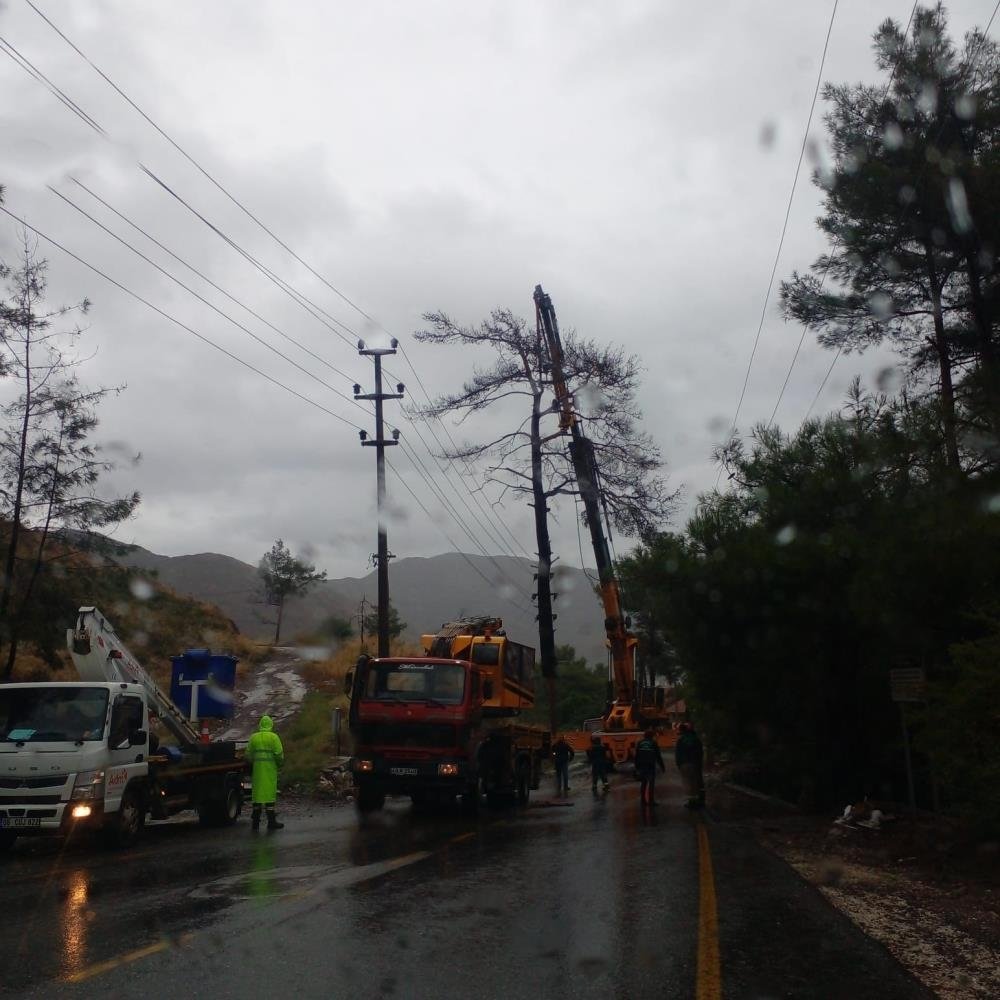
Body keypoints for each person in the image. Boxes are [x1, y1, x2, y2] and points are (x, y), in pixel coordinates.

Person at [247, 714, 285, 831]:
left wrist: (252, 764)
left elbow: (248, 755)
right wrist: (279, 764)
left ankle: (255, 823)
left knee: (257, 796)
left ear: (260, 725)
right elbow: (279, 754)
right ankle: (271, 822)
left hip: (257, 771)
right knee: (269, 796)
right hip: (270, 770)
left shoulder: (254, 737)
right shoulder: (274, 737)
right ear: (271, 725)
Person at [675, 722, 705, 808]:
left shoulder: (681, 740)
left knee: (688, 783)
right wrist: (700, 763)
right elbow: (700, 752)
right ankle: (699, 800)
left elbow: (678, 753)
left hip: (684, 764)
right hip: (695, 763)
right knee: (697, 782)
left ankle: (691, 802)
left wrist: (678, 764)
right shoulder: (696, 739)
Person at [634, 729, 666, 806]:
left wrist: (636, 766)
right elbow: (658, 755)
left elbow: (636, 755)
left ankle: (643, 800)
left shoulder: (640, 743)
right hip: (650, 765)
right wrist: (662, 766)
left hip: (642, 765)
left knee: (643, 783)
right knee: (651, 783)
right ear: (652, 736)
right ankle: (651, 801)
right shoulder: (653, 743)